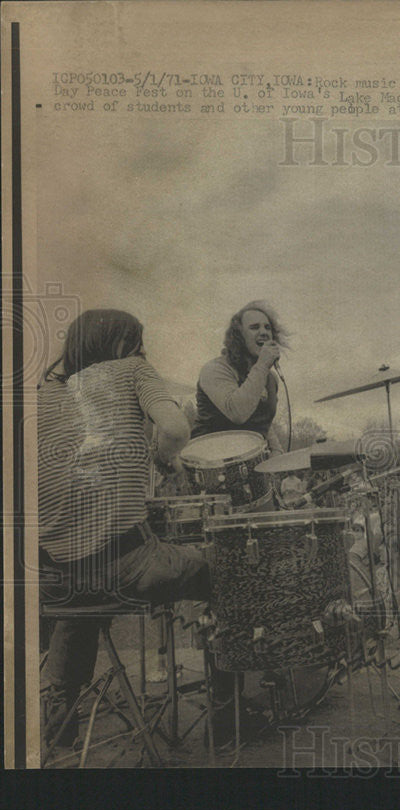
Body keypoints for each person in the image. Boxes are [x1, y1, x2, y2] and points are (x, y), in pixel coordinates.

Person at [36, 310, 225, 746]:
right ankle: (231, 705)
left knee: (81, 602)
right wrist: (162, 456)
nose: (143, 351)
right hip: (131, 565)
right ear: (123, 345)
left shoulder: (40, 395)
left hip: (56, 578)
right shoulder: (132, 370)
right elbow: (176, 427)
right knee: (224, 571)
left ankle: (60, 719)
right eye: (138, 343)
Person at [191, 301, 286, 453]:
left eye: (267, 327)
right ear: (239, 335)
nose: (264, 332)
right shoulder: (215, 369)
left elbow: (262, 422)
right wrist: (262, 365)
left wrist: (277, 451)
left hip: (251, 463)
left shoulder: (269, 378)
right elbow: (238, 413)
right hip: (210, 464)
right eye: (255, 327)